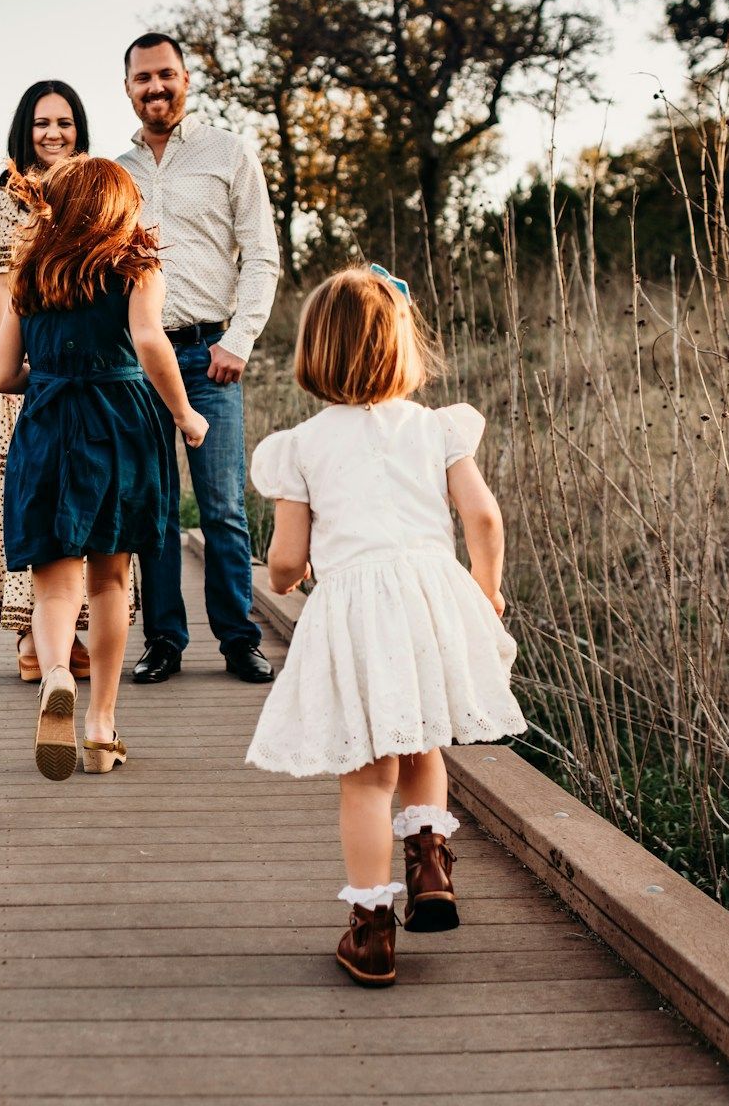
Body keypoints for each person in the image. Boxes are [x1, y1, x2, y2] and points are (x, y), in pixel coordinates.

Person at [243, 265, 526, 987]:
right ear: (402, 346)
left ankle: (372, 931)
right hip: (431, 597)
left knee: (368, 776)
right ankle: (431, 862)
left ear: (316, 351)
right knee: (424, 735)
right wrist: (486, 593)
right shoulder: (436, 428)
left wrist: (281, 579)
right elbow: (484, 516)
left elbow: (285, 559)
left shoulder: (301, 446)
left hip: (356, 610)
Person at [0, 156, 206, 780]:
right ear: (118, 206)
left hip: (49, 424)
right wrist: (186, 414)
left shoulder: (30, 276)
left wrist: (52, 375)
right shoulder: (138, 267)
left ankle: (57, 671)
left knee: (56, 585)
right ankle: (102, 727)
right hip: (120, 424)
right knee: (111, 581)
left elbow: (3, 376)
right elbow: (149, 341)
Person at [116, 32, 281, 686]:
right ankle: (164, 641)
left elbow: (261, 254)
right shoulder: (115, 173)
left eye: (165, 75)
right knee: (152, 507)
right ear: (127, 88)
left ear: (186, 77)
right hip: (141, 365)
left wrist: (239, 340)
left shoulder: (228, 152)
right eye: (142, 79)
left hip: (212, 357)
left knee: (222, 509)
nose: (155, 88)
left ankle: (239, 640)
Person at [0, 80, 135, 681]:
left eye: (65, 123)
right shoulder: (8, 203)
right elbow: (1, 300)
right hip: (27, 373)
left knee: (73, 505)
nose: (54, 134)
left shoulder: (91, 195)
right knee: (32, 504)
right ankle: (30, 641)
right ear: (25, 130)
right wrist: (23, 372)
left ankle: (63, 639)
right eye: (42, 123)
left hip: (86, 374)